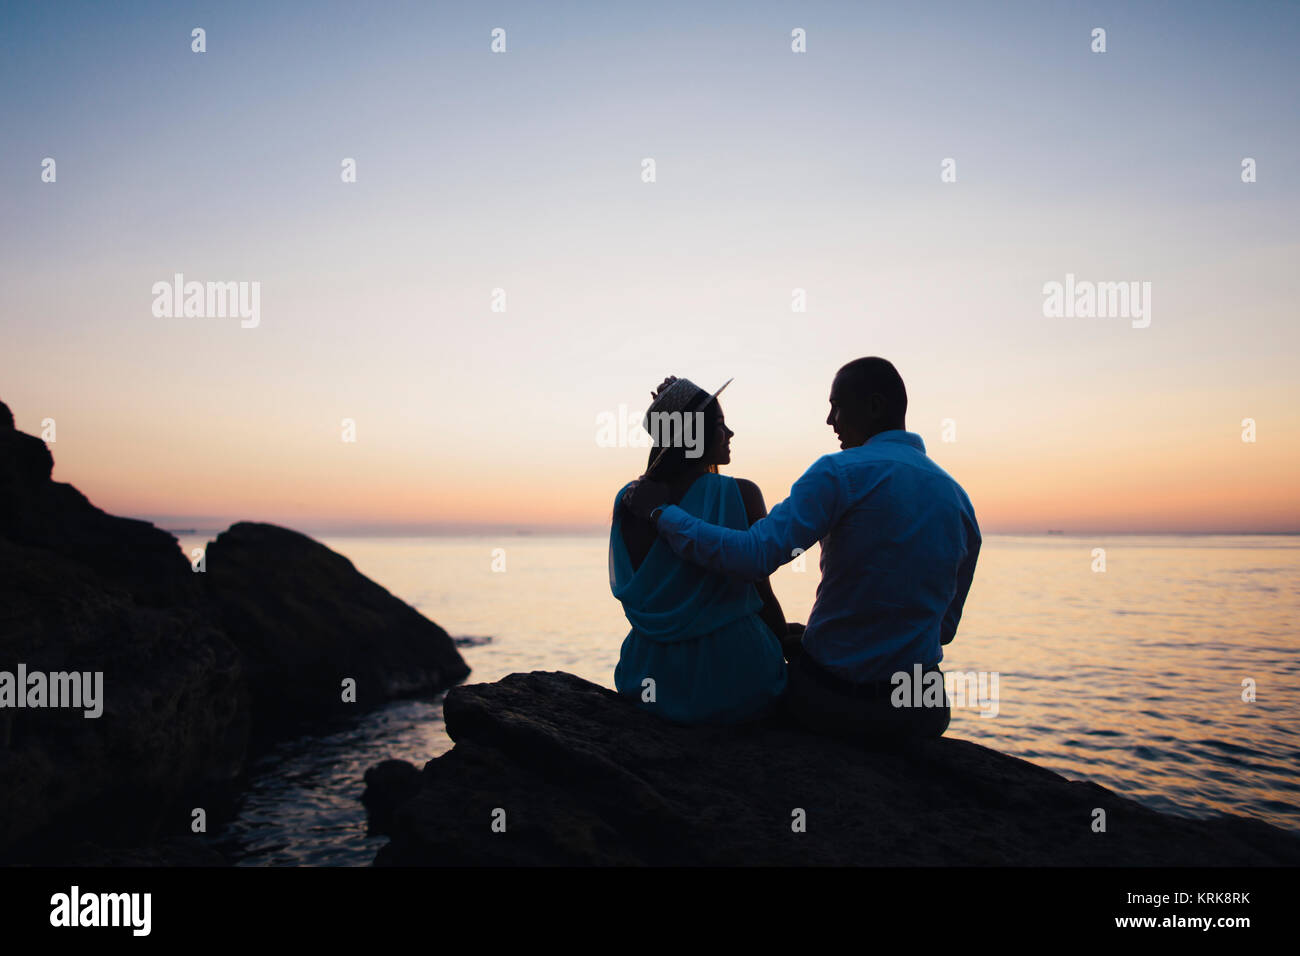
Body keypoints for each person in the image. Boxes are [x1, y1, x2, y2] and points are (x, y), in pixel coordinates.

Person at [623, 357, 981, 744]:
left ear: (874, 407)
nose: (830, 420)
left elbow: (753, 556)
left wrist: (660, 513)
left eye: (837, 406)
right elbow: (943, 630)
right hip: (921, 712)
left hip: (837, 702)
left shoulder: (839, 473)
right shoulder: (958, 499)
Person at [609, 376, 788, 724]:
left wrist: (676, 401)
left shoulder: (628, 499)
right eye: (720, 425)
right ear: (696, 434)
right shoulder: (743, 494)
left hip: (648, 675)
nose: (730, 433)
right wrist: (784, 642)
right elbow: (762, 592)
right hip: (736, 677)